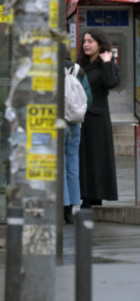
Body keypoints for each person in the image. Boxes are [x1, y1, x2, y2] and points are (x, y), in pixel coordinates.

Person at [78, 28, 120, 208]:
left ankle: (97, 197)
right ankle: (86, 196)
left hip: (98, 120)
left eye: (90, 41)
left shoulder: (107, 65)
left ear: (100, 44)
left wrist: (107, 63)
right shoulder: (80, 65)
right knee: (85, 159)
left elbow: (111, 83)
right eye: (84, 41)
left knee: (98, 159)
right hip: (82, 118)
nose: (86, 44)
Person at [63, 50, 92, 224]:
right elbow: (88, 98)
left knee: (60, 165)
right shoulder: (78, 70)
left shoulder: (49, 70)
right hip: (74, 123)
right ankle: (73, 205)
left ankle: (63, 205)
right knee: (72, 163)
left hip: (56, 123)